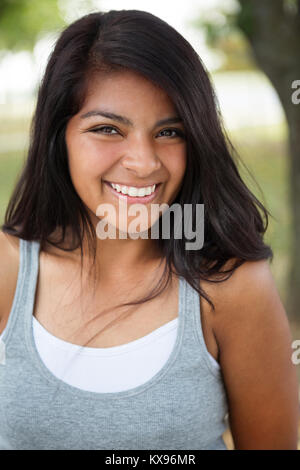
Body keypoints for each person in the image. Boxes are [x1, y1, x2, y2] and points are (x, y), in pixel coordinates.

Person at [0, 9, 298, 451]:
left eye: (170, 132)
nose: (144, 162)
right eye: (107, 129)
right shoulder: (8, 271)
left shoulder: (232, 287)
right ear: (58, 137)